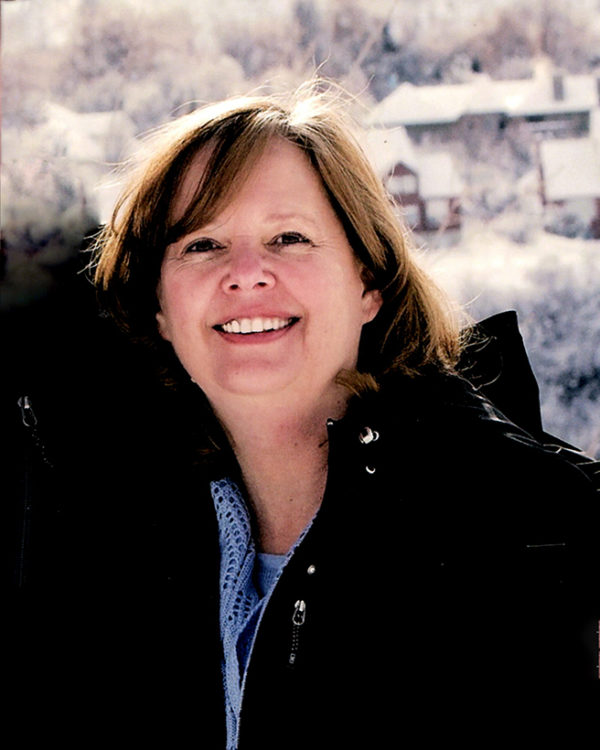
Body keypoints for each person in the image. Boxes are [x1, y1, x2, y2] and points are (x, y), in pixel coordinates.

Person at [8, 84, 599, 747]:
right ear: (160, 309)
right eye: (202, 244)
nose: (246, 273)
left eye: (289, 237)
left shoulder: (534, 535)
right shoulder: (104, 545)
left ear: (369, 282)